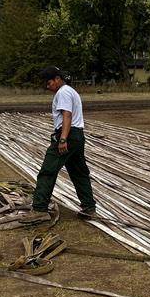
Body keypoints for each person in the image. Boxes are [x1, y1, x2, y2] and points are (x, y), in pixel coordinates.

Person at [31, 66, 97, 220]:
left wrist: (62, 139)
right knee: (79, 172)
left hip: (68, 135)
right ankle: (89, 207)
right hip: (77, 135)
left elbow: (67, 115)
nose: (48, 87)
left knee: (48, 170)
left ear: (57, 79)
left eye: (49, 83)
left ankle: (39, 209)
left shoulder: (63, 92)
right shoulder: (70, 91)